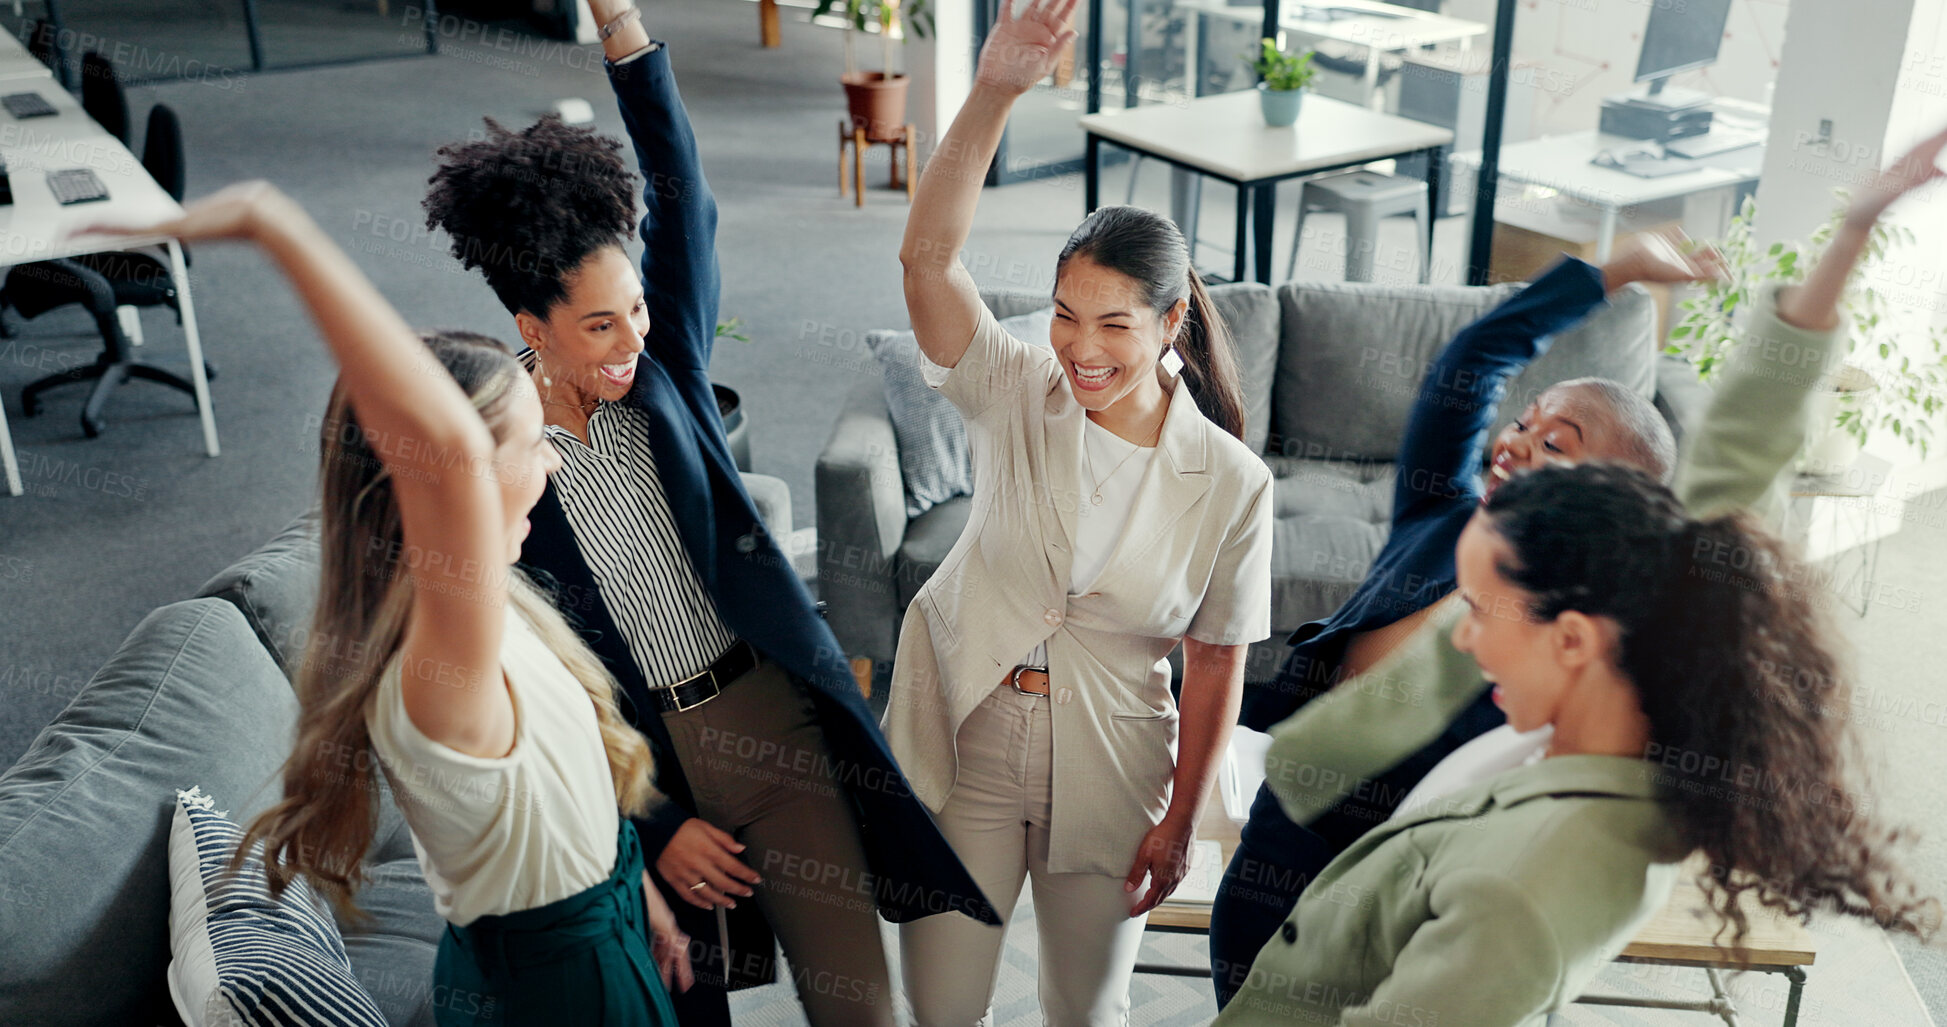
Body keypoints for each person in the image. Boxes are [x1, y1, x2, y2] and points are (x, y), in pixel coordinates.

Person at [418, 4, 997, 1025]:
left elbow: (686, 203)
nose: (629, 337)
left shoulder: (664, 371)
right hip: (642, 769)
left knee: (857, 1003)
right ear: (530, 328)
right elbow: (525, 687)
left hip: (768, 725)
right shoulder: (495, 468)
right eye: (599, 323)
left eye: (636, 308)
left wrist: (626, 33)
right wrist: (651, 821)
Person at [90, 181, 684, 1024]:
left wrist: (635, 897)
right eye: (523, 448)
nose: (550, 467)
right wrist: (275, 221)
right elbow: (441, 448)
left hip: (595, 929)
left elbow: (567, 804)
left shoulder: (497, 609)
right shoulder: (441, 669)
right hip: (561, 993)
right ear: (452, 488)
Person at [1217, 462, 1939, 1026]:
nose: (1459, 636)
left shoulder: (1522, 891)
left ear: (1570, 638)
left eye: (1471, 609)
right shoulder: (1572, 744)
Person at [1208, 231, 1727, 999]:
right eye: (1524, 422)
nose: (1514, 442)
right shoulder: (1438, 513)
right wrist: (1611, 271)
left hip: (1395, 886)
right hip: (1283, 832)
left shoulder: (1575, 648)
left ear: (1608, 498)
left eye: (1555, 443)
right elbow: (1470, 363)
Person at [887, 0, 1275, 1021]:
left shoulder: (1233, 483)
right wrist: (996, 88)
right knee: (941, 1005)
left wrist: (1183, 820)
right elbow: (928, 263)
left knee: (1084, 1014)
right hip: (968, 734)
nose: (1082, 348)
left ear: (1172, 325)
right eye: (1065, 315)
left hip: (1114, 762)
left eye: (1114, 324)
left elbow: (1218, 658)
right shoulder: (1018, 389)